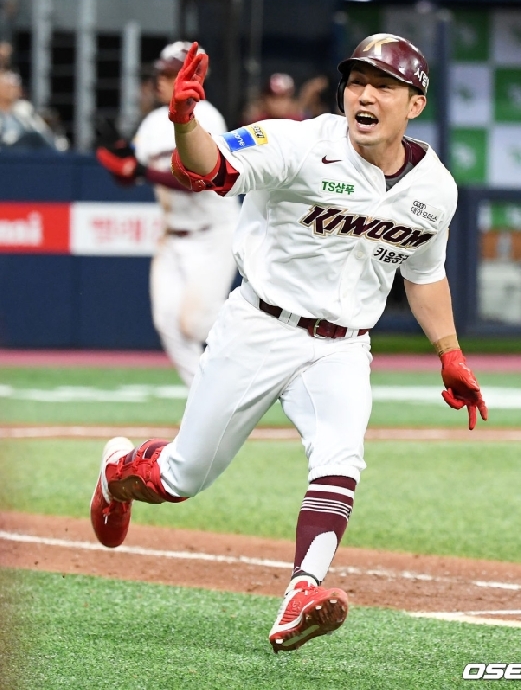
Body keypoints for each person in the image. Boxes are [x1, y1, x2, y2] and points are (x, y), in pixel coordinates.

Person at [90, 34, 488, 652]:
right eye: (357, 82)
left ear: (415, 104)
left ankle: (303, 591)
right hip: (260, 327)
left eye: (383, 86)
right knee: (180, 477)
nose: (365, 95)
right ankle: (118, 472)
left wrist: (450, 352)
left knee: (340, 456)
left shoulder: (434, 187)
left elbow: (424, 273)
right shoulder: (300, 143)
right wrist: (186, 121)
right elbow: (208, 169)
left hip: (343, 346)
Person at [96, 41, 240, 389]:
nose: (161, 81)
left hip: (213, 233)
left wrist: (141, 171)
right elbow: (131, 175)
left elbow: (198, 180)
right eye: (160, 74)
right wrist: (121, 159)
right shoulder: (153, 123)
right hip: (172, 236)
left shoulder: (207, 117)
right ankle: (203, 397)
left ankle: (249, 353)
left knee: (195, 325)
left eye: (170, 74)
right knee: (167, 323)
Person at [242, 72, 329, 124]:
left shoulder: (300, 122)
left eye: (282, 97)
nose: (278, 103)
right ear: (264, 98)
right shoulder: (255, 123)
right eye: (273, 98)